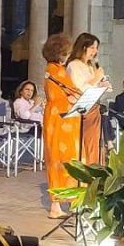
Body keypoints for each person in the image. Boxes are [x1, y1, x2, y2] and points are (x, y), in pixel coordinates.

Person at [42, 33, 81, 219]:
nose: (68, 55)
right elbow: (60, 97)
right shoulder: (54, 70)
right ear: (59, 53)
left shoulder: (59, 69)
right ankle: (56, 204)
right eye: (66, 52)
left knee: (69, 157)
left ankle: (72, 199)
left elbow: (72, 92)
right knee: (58, 159)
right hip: (59, 118)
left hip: (65, 118)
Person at [66, 32, 111, 165]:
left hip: (94, 108)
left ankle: (97, 171)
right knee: (87, 143)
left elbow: (93, 87)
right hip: (82, 110)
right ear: (83, 47)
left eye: (96, 48)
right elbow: (79, 88)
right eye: (92, 47)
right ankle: (88, 172)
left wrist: (102, 85)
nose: (95, 51)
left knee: (96, 142)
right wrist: (96, 79)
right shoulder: (73, 65)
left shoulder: (90, 66)